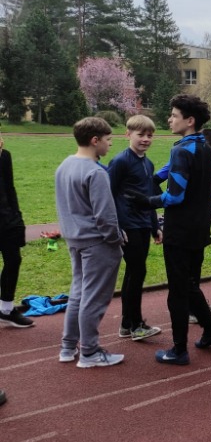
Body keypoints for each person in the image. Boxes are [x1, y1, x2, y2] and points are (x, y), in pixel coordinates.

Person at [127, 94, 211, 366]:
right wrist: (147, 179)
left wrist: (146, 201)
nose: (169, 119)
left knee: (178, 292)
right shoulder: (203, 147)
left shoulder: (181, 150)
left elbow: (175, 196)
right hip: (199, 228)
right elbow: (167, 173)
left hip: (179, 231)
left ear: (189, 120)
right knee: (190, 285)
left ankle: (179, 350)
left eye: (174, 115)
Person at [55, 117, 124, 368]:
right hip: (97, 243)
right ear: (95, 140)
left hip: (74, 239)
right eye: (108, 139)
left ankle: (68, 346)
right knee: (93, 298)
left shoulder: (64, 165)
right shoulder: (96, 172)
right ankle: (90, 352)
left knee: (78, 293)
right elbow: (105, 216)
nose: (110, 144)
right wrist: (116, 239)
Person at [106, 115, 163, 341]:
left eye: (149, 135)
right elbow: (108, 195)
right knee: (137, 271)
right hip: (127, 224)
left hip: (142, 224)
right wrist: (116, 226)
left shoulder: (148, 164)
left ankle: (127, 324)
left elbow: (148, 198)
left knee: (134, 272)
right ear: (128, 134)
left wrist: (155, 226)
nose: (146, 139)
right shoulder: (120, 161)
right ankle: (135, 324)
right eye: (141, 135)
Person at [0, 132, 33, 329]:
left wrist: (17, 217)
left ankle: (6, 309)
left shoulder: (4, 155)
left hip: (7, 220)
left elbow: (10, 188)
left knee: (13, 260)